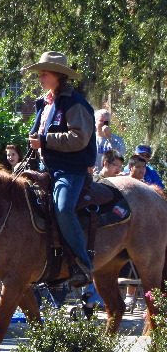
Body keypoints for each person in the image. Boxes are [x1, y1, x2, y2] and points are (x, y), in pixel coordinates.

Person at [24, 51, 96, 287]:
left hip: (70, 170)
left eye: (44, 73)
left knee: (63, 208)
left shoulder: (74, 103)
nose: (40, 77)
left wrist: (44, 141)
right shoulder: (45, 103)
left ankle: (82, 264)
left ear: (58, 75)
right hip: (47, 169)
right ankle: (50, 265)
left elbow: (79, 138)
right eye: (40, 73)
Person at [93, 109, 125, 174]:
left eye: (106, 121)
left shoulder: (117, 139)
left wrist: (110, 138)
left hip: (112, 176)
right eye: (101, 121)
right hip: (94, 176)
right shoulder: (91, 138)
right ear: (95, 122)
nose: (103, 124)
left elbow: (121, 153)